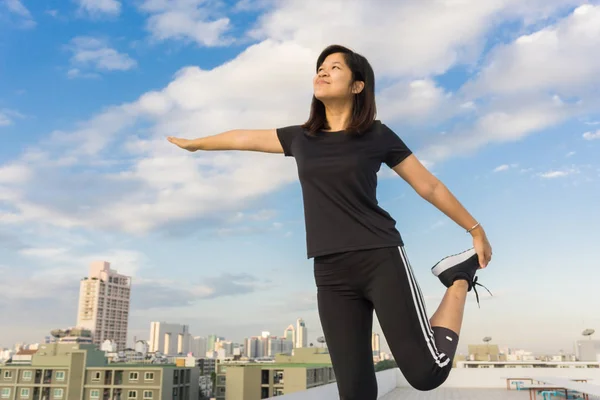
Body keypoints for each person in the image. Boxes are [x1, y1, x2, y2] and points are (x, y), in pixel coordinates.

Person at [167, 44, 493, 399]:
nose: (322, 72)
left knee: (427, 373)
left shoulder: (377, 135)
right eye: (320, 67)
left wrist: (475, 229)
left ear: (357, 86)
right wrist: (198, 143)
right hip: (329, 271)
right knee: (355, 391)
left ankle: (458, 278)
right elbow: (243, 137)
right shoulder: (301, 138)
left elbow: (428, 185)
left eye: (334, 67)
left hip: (379, 258)